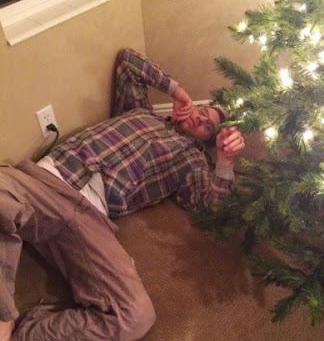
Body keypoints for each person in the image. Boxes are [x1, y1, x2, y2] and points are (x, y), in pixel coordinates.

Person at [0, 48, 245, 341]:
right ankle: (3, 320)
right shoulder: (140, 111)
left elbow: (213, 209)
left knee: (135, 315)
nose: (200, 121)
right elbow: (128, 61)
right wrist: (177, 91)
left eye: (208, 127)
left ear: (207, 140)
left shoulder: (193, 163)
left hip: (90, 219)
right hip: (48, 181)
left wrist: (225, 162)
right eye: (202, 113)